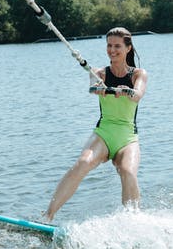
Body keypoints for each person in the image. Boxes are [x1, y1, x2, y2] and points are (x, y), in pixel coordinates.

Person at [44, 27, 148, 222]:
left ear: (128, 48)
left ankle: (133, 222)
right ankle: (48, 216)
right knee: (83, 163)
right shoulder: (99, 73)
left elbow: (138, 94)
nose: (112, 50)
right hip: (104, 133)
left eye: (117, 46)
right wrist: (99, 87)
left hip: (127, 138)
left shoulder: (138, 74)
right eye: (109, 46)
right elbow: (93, 86)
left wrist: (127, 91)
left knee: (127, 171)